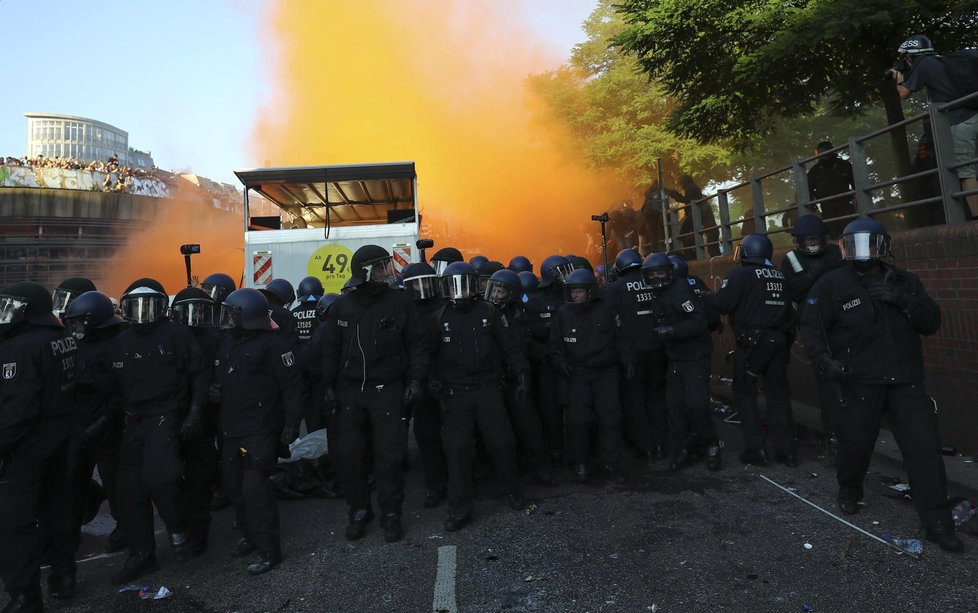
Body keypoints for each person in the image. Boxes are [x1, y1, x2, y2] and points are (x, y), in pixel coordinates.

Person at [799, 218, 963, 552]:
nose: (864, 251)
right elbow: (812, 327)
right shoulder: (831, 283)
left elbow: (930, 323)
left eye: (870, 243)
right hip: (860, 380)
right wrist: (825, 362)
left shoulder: (904, 280)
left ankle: (938, 523)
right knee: (855, 445)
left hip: (905, 381)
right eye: (856, 243)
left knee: (924, 451)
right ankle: (850, 489)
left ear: (882, 246)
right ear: (845, 246)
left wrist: (903, 300)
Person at [320, 245, 428, 543]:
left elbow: (417, 344)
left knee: (389, 457)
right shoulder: (343, 306)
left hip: (388, 390)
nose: (388, 272)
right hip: (351, 393)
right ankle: (358, 510)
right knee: (350, 456)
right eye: (382, 267)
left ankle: (391, 513)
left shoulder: (401, 302)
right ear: (366, 271)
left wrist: (415, 380)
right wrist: (328, 385)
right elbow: (329, 349)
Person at [107, 278, 209, 585]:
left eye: (148, 306)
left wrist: (194, 413)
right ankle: (142, 554)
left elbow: (199, 375)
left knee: (161, 479)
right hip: (135, 419)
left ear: (163, 307)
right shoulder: (121, 340)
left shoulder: (177, 334)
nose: (141, 314)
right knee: (128, 488)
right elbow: (112, 385)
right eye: (134, 307)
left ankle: (179, 529)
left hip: (166, 414)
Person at [212, 288, 305, 575]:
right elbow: (221, 377)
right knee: (234, 486)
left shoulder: (273, 345)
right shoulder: (227, 344)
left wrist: (291, 423)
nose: (226, 319)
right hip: (231, 430)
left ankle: (269, 550)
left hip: (260, 429)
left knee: (255, 488)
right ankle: (249, 536)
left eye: (232, 314)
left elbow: (292, 386)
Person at [430, 262, 529, 530]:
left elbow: (510, 346)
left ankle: (513, 491)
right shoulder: (439, 318)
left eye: (465, 284)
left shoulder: (490, 312)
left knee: (502, 443)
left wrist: (521, 371)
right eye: (454, 285)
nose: (460, 292)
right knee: (457, 449)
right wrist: (432, 382)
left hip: (487, 388)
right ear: (445, 288)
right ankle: (459, 508)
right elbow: (428, 355)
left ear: (475, 286)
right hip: (456, 393)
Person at [0, 282, 77, 609]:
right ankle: (64, 575)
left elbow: (18, 407)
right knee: (56, 510)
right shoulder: (64, 338)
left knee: (13, 524)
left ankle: (25, 597)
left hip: (26, 447)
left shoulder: (19, 347)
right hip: (61, 438)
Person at [709, 235, 796, 467]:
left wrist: (706, 298)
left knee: (745, 394)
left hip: (752, 344)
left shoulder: (740, 274)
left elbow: (723, 304)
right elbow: (790, 314)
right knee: (778, 396)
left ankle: (757, 450)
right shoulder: (780, 275)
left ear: (747, 252)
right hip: (779, 340)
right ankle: (787, 452)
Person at [63, 291, 127, 569]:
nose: (74, 329)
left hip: (107, 426)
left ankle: (124, 527)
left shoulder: (117, 344)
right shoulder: (76, 344)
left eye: (78, 323)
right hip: (79, 424)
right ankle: (69, 532)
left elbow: (121, 392)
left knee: (115, 483)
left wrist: (101, 423)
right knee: (72, 480)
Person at [550, 268, 631, 482]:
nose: (575, 295)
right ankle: (580, 462)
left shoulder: (606, 310)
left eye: (579, 291)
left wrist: (627, 361)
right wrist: (559, 362)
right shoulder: (563, 313)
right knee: (578, 421)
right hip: (577, 374)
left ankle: (611, 463)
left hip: (605, 372)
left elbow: (621, 338)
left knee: (610, 419)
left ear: (590, 292)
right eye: (572, 291)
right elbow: (555, 343)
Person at [641, 254, 720, 471]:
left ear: (670, 272)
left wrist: (672, 331)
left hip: (695, 356)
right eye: (652, 274)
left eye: (661, 273)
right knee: (674, 406)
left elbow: (699, 322)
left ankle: (711, 443)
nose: (657, 278)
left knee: (696, 405)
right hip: (675, 358)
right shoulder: (658, 293)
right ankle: (683, 448)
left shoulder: (680, 291)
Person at [779, 215, 844, 459]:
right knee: (827, 383)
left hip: (841, 322)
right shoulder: (791, 260)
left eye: (816, 238)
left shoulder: (836, 254)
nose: (813, 243)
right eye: (808, 239)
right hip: (813, 325)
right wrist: (812, 276)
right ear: (799, 240)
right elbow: (791, 291)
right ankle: (833, 437)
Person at [484, 268, 556, 486]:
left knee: (529, 426)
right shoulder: (483, 312)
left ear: (513, 294)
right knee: (497, 434)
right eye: (493, 290)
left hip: (516, 377)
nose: (496, 295)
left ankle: (539, 468)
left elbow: (523, 343)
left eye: (501, 291)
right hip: (492, 380)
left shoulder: (519, 313)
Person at [895, 34, 978, 219]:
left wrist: (897, 75)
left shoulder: (923, 63)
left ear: (911, 54)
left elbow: (903, 93)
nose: (905, 61)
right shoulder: (941, 61)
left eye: (905, 57)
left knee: (965, 173)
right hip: (974, 115)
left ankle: (976, 223)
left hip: (960, 122)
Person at [169, 286, 222, 557]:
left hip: (205, 421)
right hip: (170, 417)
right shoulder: (168, 338)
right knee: (168, 478)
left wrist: (216, 389)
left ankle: (198, 531)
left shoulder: (216, 339)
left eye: (201, 311)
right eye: (187, 310)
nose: (194, 317)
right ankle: (179, 525)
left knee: (200, 478)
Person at [604, 248, 669, 461]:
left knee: (635, 401)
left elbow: (610, 322)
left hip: (630, 353)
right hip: (658, 349)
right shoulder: (655, 280)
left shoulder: (614, 289)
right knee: (657, 397)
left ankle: (646, 446)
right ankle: (661, 444)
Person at [401, 262, 449, 508]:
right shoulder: (404, 311)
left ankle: (460, 481)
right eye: (416, 286)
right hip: (421, 382)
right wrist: (415, 380)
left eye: (427, 283)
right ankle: (435, 484)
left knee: (454, 435)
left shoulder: (445, 306)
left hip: (447, 379)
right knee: (427, 435)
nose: (423, 290)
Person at [525, 255, 575, 466]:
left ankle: (580, 449)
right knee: (550, 410)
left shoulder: (574, 295)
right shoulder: (536, 301)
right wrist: (546, 354)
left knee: (576, 408)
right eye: (563, 272)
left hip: (573, 360)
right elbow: (528, 336)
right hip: (548, 364)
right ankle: (555, 449)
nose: (568, 276)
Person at [806, 142, 855, 236]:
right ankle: (837, 248)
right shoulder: (814, 171)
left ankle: (849, 247)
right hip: (826, 205)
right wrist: (812, 204)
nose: (821, 156)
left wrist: (857, 197)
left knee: (848, 229)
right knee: (832, 231)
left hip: (844, 202)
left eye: (823, 152)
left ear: (830, 151)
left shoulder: (844, 165)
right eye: (818, 153)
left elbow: (855, 182)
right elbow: (808, 189)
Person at [666, 174, 720, 259]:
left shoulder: (690, 188)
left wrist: (675, 195)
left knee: (683, 234)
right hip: (694, 214)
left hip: (693, 215)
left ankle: (691, 255)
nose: (680, 186)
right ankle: (694, 253)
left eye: (681, 183)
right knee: (689, 235)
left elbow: (688, 200)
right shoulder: (693, 187)